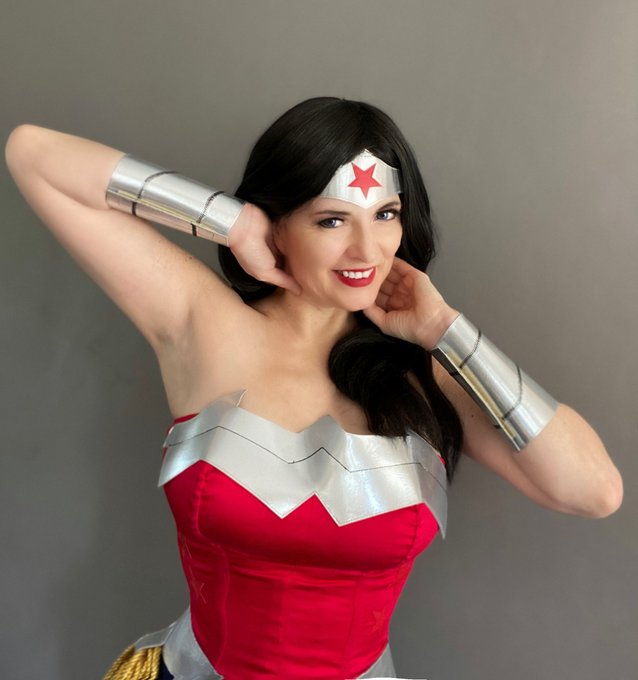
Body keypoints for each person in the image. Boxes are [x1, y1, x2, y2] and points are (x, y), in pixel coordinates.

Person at [5, 97, 622, 680]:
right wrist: (230, 222)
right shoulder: (205, 325)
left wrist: (445, 330)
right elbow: (33, 154)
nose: (366, 249)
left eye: (385, 215)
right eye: (332, 220)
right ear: (279, 222)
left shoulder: (427, 375)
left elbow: (593, 491)